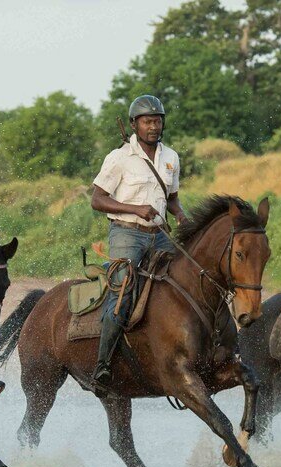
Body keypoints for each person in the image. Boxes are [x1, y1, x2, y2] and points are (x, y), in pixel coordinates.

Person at [89, 94, 190, 388]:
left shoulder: (171, 158)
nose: (153, 127)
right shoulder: (119, 158)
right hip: (126, 233)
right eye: (147, 122)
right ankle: (103, 365)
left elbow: (172, 198)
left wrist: (181, 215)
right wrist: (135, 209)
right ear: (134, 124)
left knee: (189, 279)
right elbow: (97, 200)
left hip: (160, 233)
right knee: (122, 292)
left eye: (157, 121)